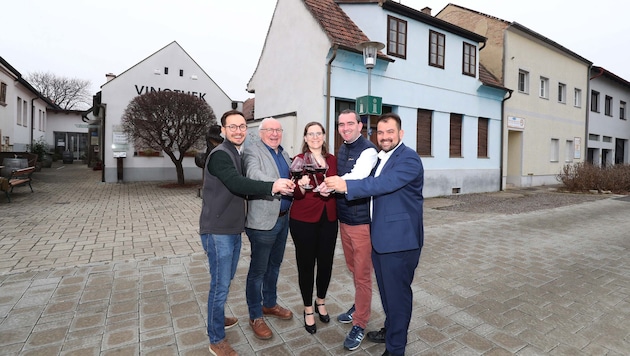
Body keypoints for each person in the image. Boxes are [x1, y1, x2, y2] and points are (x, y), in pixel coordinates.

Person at [325, 113, 424, 356]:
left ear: (401, 134)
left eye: (390, 132)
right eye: (380, 132)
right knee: (388, 295)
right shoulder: (382, 158)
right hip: (381, 238)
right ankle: (390, 331)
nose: (384, 137)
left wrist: (345, 185)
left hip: (399, 241)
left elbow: (383, 185)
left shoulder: (409, 159)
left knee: (398, 297)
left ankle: (396, 349)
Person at [199, 110, 295, 356]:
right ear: (223, 130)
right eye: (233, 127)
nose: (238, 131)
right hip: (217, 230)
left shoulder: (235, 152)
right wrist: (272, 185)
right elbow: (237, 183)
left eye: (242, 126)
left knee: (226, 278)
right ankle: (216, 339)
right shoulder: (221, 155)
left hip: (232, 228)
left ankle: (217, 318)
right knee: (220, 285)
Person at [242, 117, 294, 340]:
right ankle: (255, 315)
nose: (275, 133)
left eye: (278, 130)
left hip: (283, 219)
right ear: (261, 132)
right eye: (270, 130)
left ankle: (269, 304)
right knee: (258, 271)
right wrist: (275, 184)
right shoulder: (252, 151)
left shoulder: (283, 153)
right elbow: (253, 174)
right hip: (263, 222)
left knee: (275, 265)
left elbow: (292, 177)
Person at [333, 110, 378, 350]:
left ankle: (360, 322)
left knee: (362, 275)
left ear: (360, 126)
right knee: (352, 268)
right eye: (341, 124)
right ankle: (358, 306)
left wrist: (328, 184)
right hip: (345, 220)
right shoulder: (343, 147)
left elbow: (356, 177)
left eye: (350, 123)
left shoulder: (368, 150)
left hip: (361, 224)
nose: (346, 128)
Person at [289, 122, 338, 334]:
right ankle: (308, 309)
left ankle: (321, 301)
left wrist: (333, 190)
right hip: (303, 220)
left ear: (324, 136)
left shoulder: (333, 160)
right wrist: (300, 186)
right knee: (306, 265)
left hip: (329, 218)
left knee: (326, 263)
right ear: (306, 138)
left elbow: (340, 185)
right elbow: (295, 193)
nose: (315, 137)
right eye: (311, 134)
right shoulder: (298, 161)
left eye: (319, 133)